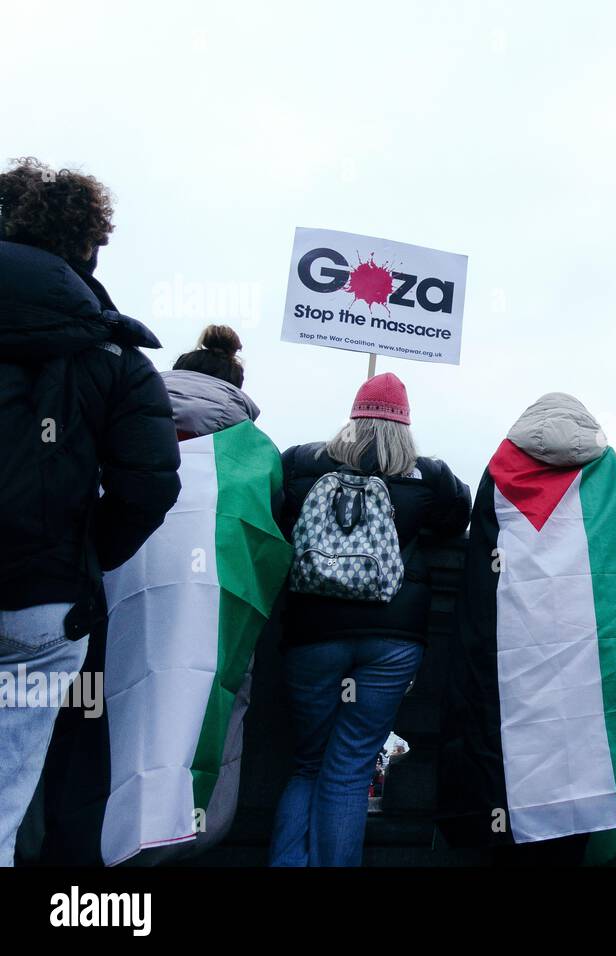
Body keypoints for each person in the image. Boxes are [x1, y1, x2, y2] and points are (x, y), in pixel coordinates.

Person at [42, 325, 290, 865]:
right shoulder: (254, 450)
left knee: (89, 724)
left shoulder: (120, 410)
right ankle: (161, 842)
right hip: (203, 616)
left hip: (92, 597)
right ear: (236, 386)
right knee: (188, 721)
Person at [0, 158, 180, 867]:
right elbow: (149, 484)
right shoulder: (115, 352)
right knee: (8, 793)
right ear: (88, 248)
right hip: (44, 602)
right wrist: (83, 556)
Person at [437, 392, 616, 865]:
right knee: (576, 805)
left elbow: (481, 580)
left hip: (512, 676)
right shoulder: (604, 474)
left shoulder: (499, 469)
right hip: (584, 685)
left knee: (508, 805)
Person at [269, 372, 470, 866]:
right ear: (405, 424)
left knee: (307, 766)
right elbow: (454, 520)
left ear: (354, 416)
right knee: (351, 768)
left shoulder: (300, 462)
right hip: (392, 637)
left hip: (312, 633)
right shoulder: (431, 475)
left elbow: (276, 515)